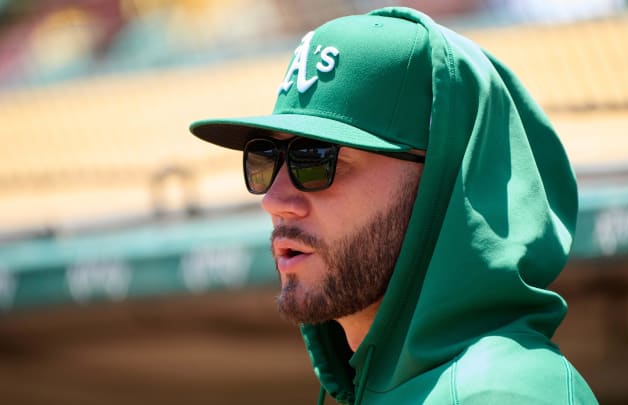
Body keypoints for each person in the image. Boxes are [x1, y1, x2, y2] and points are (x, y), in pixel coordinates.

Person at [190, 6, 598, 405]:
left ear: (438, 180)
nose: (274, 201)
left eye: (314, 159)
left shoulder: (502, 392)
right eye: (264, 159)